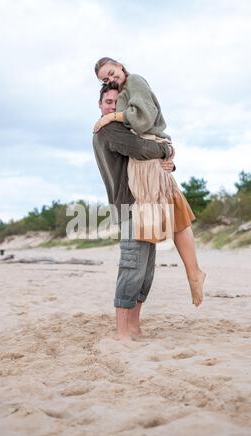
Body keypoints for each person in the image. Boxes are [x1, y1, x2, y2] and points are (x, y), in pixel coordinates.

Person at [94, 57, 206, 312]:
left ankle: (194, 272)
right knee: (176, 212)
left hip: (147, 162)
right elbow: (137, 141)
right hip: (148, 163)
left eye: (111, 73)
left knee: (176, 212)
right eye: (104, 80)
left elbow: (143, 120)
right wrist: (167, 153)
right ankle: (193, 271)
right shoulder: (123, 96)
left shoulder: (134, 81)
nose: (110, 79)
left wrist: (113, 117)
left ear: (121, 66)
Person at [93, 85, 174, 340]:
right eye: (108, 101)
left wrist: (169, 162)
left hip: (145, 203)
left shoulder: (126, 128)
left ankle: (134, 327)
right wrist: (167, 149)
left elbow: (146, 157)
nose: (112, 106)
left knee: (146, 270)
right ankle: (121, 332)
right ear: (100, 105)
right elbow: (141, 149)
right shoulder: (108, 130)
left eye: (118, 102)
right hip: (129, 205)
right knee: (131, 267)